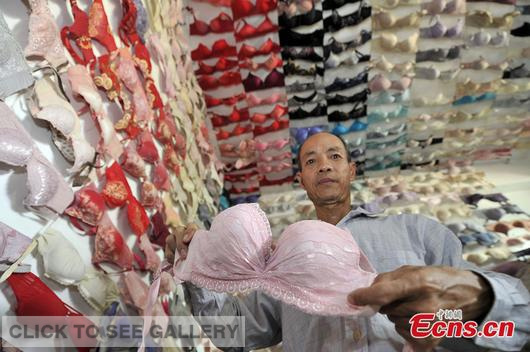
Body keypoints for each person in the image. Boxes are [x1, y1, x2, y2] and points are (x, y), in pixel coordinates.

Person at [165, 132, 530, 351]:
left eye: (334, 156)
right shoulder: (277, 262)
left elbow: (510, 324)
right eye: (311, 161)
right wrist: (199, 269)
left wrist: (464, 309)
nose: (324, 165)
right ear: (302, 180)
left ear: (351, 171)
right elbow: (233, 334)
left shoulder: (417, 232)